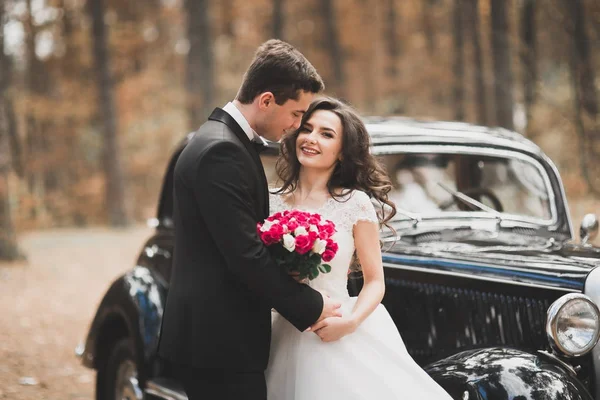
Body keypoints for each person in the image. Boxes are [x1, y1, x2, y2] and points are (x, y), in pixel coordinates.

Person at [157, 40, 343, 400]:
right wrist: (311, 306)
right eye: (295, 114)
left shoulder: (220, 140)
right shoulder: (221, 151)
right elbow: (245, 254)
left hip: (216, 341)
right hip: (219, 345)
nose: (296, 126)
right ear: (267, 100)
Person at [266, 97, 453, 399]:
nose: (311, 139)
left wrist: (351, 322)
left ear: (342, 152)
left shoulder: (354, 203)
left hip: (335, 327)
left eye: (326, 134)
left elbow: (375, 281)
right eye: (307, 129)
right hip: (277, 330)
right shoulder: (270, 201)